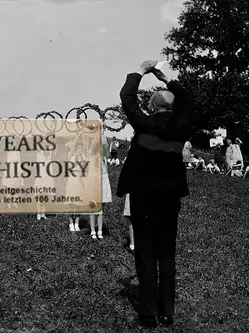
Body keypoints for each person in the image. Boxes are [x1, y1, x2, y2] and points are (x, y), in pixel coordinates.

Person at [117, 60, 195, 328]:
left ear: (151, 106)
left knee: (146, 255)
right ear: (173, 108)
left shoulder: (143, 124)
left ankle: (149, 312)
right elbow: (189, 101)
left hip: (143, 198)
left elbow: (126, 96)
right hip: (170, 199)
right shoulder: (182, 127)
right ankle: (167, 311)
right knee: (167, 254)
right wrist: (166, 77)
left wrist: (141, 70)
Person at [88, 131, 112, 239]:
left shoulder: (104, 159)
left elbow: (106, 148)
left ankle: (100, 230)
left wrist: (102, 135)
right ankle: (93, 230)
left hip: (103, 182)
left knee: (101, 208)